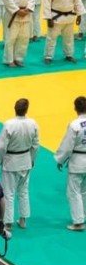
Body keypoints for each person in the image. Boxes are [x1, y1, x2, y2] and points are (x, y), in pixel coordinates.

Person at [0, 98, 39, 231]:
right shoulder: (33, 123)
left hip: (11, 161)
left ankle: (8, 222)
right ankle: (23, 219)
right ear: (26, 110)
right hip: (26, 160)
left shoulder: (9, 124)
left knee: (8, 192)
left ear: (14, 109)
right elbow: (35, 144)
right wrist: (32, 159)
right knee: (23, 191)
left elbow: (0, 146)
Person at [42, 0, 85, 64]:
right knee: (51, 38)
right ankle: (48, 56)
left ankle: (69, 55)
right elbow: (47, 4)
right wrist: (48, 18)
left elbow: (77, 1)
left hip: (69, 16)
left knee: (69, 38)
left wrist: (79, 15)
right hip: (55, 17)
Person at [56, 96, 86, 231]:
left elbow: (67, 146)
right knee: (84, 191)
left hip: (78, 162)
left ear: (75, 108)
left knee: (74, 192)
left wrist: (60, 159)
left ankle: (79, 222)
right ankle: (83, 215)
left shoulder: (74, 125)